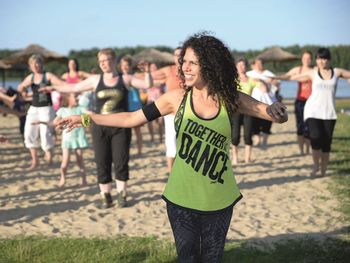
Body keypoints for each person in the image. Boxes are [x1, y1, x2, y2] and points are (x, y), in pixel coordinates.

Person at [57, 33, 288, 262]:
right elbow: (130, 118)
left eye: (192, 63)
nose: (184, 68)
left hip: (219, 199)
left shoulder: (230, 98)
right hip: (182, 199)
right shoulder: (175, 99)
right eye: (183, 62)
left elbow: (266, 111)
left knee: (212, 259)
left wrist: (277, 110)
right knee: (187, 259)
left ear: (209, 65)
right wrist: (87, 119)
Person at [40, 48, 152, 208]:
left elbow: (147, 84)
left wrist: (147, 71)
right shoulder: (95, 80)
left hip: (121, 126)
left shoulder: (125, 78)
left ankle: (122, 195)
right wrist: (53, 88)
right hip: (99, 126)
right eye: (101, 61)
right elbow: (73, 88)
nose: (104, 64)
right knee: (102, 161)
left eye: (106, 60)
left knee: (121, 161)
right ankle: (105, 196)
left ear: (114, 61)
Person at [288, 48, 350, 177]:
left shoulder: (337, 72)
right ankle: (315, 164)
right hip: (313, 112)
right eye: (318, 59)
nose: (321, 61)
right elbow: (292, 77)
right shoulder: (313, 72)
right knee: (315, 141)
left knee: (326, 144)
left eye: (324, 58)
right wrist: (275, 77)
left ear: (329, 60)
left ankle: (323, 169)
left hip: (329, 113)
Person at [17, 54, 66, 169]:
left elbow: (61, 84)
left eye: (38, 63)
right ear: (30, 66)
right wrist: (23, 91)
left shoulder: (47, 75)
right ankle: (35, 160)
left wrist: (56, 87)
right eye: (33, 64)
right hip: (34, 108)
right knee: (29, 132)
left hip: (46, 108)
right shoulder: (31, 77)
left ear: (42, 64)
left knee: (46, 133)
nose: (36, 66)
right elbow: (20, 87)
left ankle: (49, 158)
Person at [151, 47, 182, 174]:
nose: (178, 57)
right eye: (176, 55)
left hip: (189, 112)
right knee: (171, 144)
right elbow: (150, 77)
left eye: (181, 54)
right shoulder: (169, 70)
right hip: (170, 113)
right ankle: (171, 174)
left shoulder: (192, 70)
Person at [277, 51, 313, 155]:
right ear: (302, 59)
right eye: (305, 58)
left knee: (309, 127)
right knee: (300, 127)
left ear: (311, 59)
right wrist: (276, 78)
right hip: (300, 101)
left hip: (311, 102)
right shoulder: (298, 69)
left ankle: (308, 150)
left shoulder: (314, 70)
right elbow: (287, 75)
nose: (307, 60)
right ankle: (302, 151)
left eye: (309, 58)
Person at [53, 93, 88, 187]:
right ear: (67, 99)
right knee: (64, 163)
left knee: (80, 161)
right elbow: (55, 122)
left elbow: (88, 120)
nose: (77, 98)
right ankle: (63, 179)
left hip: (78, 138)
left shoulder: (81, 108)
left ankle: (84, 180)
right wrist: (60, 125)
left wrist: (84, 123)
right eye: (74, 97)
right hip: (67, 140)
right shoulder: (62, 110)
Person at [248, 58, 279, 147]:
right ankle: (257, 139)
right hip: (254, 102)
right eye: (257, 64)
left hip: (268, 102)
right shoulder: (250, 73)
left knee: (267, 123)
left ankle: (265, 140)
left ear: (263, 64)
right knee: (255, 123)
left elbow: (277, 83)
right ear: (254, 65)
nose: (259, 65)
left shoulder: (268, 74)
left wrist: (270, 81)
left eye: (260, 63)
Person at [231, 58, 256, 164]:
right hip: (236, 110)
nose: (242, 67)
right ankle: (235, 158)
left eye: (243, 65)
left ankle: (247, 158)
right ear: (236, 67)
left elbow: (263, 86)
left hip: (249, 110)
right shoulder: (232, 80)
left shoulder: (251, 80)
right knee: (235, 136)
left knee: (248, 135)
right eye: (240, 65)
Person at [120, 55, 144, 155]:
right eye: (123, 65)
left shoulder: (135, 76)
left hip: (136, 107)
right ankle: (127, 151)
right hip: (124, 107)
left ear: (130, 66)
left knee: (137, 131)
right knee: (125, 133)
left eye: (126, 65)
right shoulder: (118, 78)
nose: (124, 67)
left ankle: (139, 151)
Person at [146, 63, 164, 143]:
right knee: (149, 121)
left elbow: (163, 83)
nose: (153, 68)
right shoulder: (147, 76)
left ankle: (160, 138)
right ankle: (152, 137)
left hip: (160, 100)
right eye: (151, 67)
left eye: (154, 67)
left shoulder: (162, 76)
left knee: (160, 122)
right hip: (150, 101)